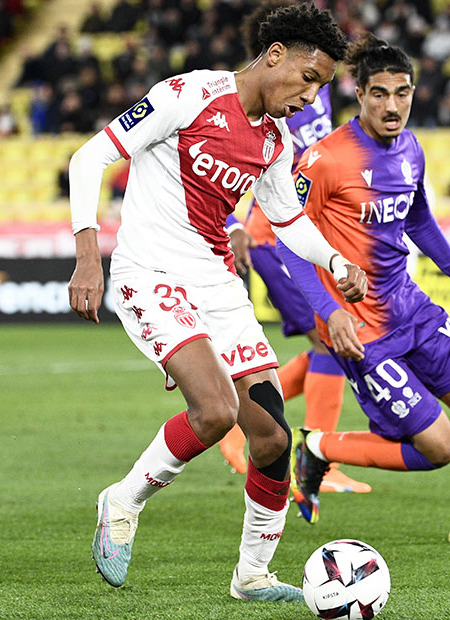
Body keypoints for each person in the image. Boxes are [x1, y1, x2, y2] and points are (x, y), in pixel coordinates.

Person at [66, 4, 365, 601]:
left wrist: (334, 260)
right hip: (149, 274)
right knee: (215, 411)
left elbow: (286, 218)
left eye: (324, 87)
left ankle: (252, 575)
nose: (312, 97)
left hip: (218, 286)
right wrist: (87, 255)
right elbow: (89, 157)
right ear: (275, 55)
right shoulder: (188, 94)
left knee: (274, 438)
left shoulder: (275, 140)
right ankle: (122, 501)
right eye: (310, 79)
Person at [278, 34, 450, 544]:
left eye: (403, 92)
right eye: (380, 94)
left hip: (409, 307)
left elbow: (422, 223)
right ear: (359, 93)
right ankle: (319, 447)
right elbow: (289, 243)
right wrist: (330, 311)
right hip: (362, 329)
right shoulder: (325, 160)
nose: (393, 106)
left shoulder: (411, 148)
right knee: (438, 448)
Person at [217, 0, 370, 496]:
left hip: (306, 233)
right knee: (330, 339)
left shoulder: (314, 98)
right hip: (272, 237)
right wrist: (234, 224)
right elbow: (219, 167)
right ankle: (319, 458)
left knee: (326, 343)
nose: (310, 89)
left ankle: (243, 420)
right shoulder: (248, 105)